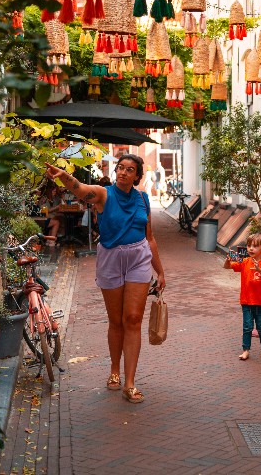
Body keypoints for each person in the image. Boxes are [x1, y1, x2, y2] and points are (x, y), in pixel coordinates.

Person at [44, 155, 166, 403]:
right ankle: (114, 369)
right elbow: (81, 190)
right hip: (111, 258)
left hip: (138, 259)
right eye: (120, 168)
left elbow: (150, 237)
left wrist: (160, 271)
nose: (122, 172)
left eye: (129, 170)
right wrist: (64, 176)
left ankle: (130, 383)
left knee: (132, 319)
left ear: (137, 175)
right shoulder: (103, 194)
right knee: (116, 321)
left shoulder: (143, 198)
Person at [223, 233, 261, 360]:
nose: (250, 249)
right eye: (249, 245)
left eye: (255, 246)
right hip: (246, 301)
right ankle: (246, 350)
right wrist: (227, 261)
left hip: (260, 302)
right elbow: (227, 267)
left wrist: (260, 270)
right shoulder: (244, 262)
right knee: (247, 326)